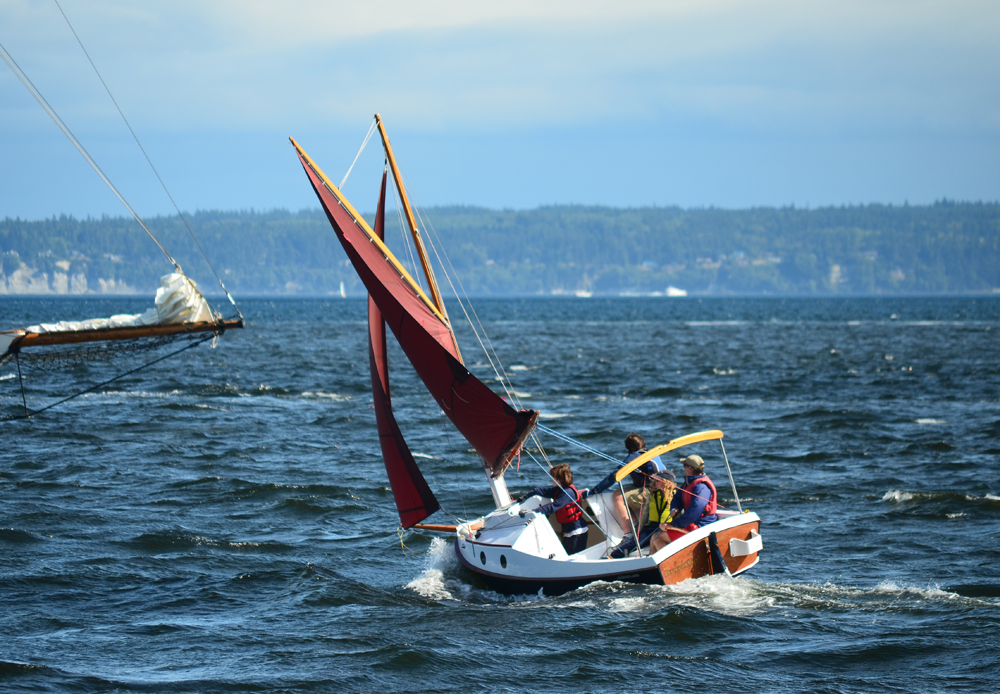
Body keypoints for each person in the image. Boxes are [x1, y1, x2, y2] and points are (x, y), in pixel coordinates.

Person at [581, 432, 665, 553]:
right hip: (660, 488)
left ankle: (629, 535)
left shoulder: (634, 456)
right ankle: (636, 526)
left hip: (652, 491)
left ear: (629, 448)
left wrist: (595, 491)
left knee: (620, 499)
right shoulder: (652, 453)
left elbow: (614, 476)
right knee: (617, 494)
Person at [517, 463, 589, 554]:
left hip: (577, 532)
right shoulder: (559, 490)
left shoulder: (568, 493)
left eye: (553, 477)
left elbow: (553, 507)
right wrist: (526, 496)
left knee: (574, 558)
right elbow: (541, 490)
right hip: (568, 532)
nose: (552, 479)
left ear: (560, 479)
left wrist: (532, 511)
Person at [608, 470, 676, 558]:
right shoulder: (653, 495)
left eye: (658, 481)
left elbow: (679, 513)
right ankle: (613, 555)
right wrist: (640, 529)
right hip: (652, 526)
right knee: (636, 542)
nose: (655, 482)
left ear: (666, 482)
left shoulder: (675, 496)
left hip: (666, 526)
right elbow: (645, 514)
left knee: (649, 540)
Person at [659, 454, 718, 545]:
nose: (684, 468)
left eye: (684, 466)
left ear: (690, 468)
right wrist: (675, 509)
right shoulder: (689, 483)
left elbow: (695, 511)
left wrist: (674, 524)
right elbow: (677, 497)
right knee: (656, 536)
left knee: (658, 537)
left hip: (701, 527)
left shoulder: (701, 487)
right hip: (690, 524)